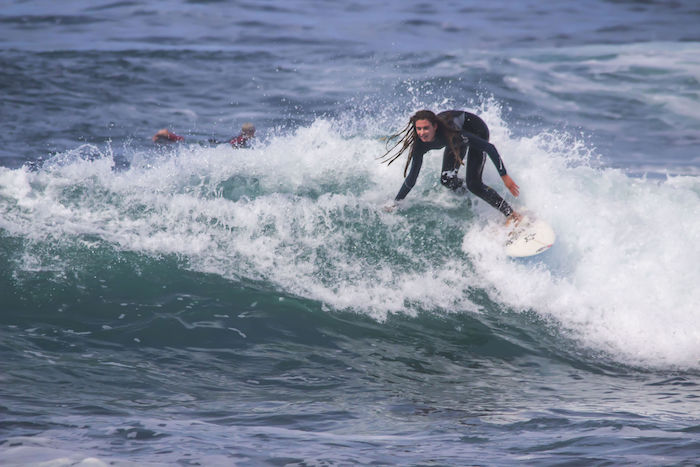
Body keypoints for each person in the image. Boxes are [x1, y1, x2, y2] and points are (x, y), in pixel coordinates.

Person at [381, 109, 521, 224]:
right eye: (419, 129)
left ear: (434, 127)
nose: (422, 133)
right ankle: (469, 196)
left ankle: (512, 214)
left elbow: (489, 148)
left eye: (426, 128)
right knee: (447, 180)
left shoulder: (452, 135)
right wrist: (397, 202)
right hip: (454, 138)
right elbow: (412, 177)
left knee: (474, 184)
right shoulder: (420, 144)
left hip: (476, 130)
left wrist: (504, 176)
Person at [152, 122, 256, 148]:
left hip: (217, 142)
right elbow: (232, 144)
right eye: (253, 131)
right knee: (185, 141)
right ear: (249, 132)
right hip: (219, 144)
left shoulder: (241, 137)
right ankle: (165, 135)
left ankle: (165, 135)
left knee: (186, 140)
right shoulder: (241, 139)